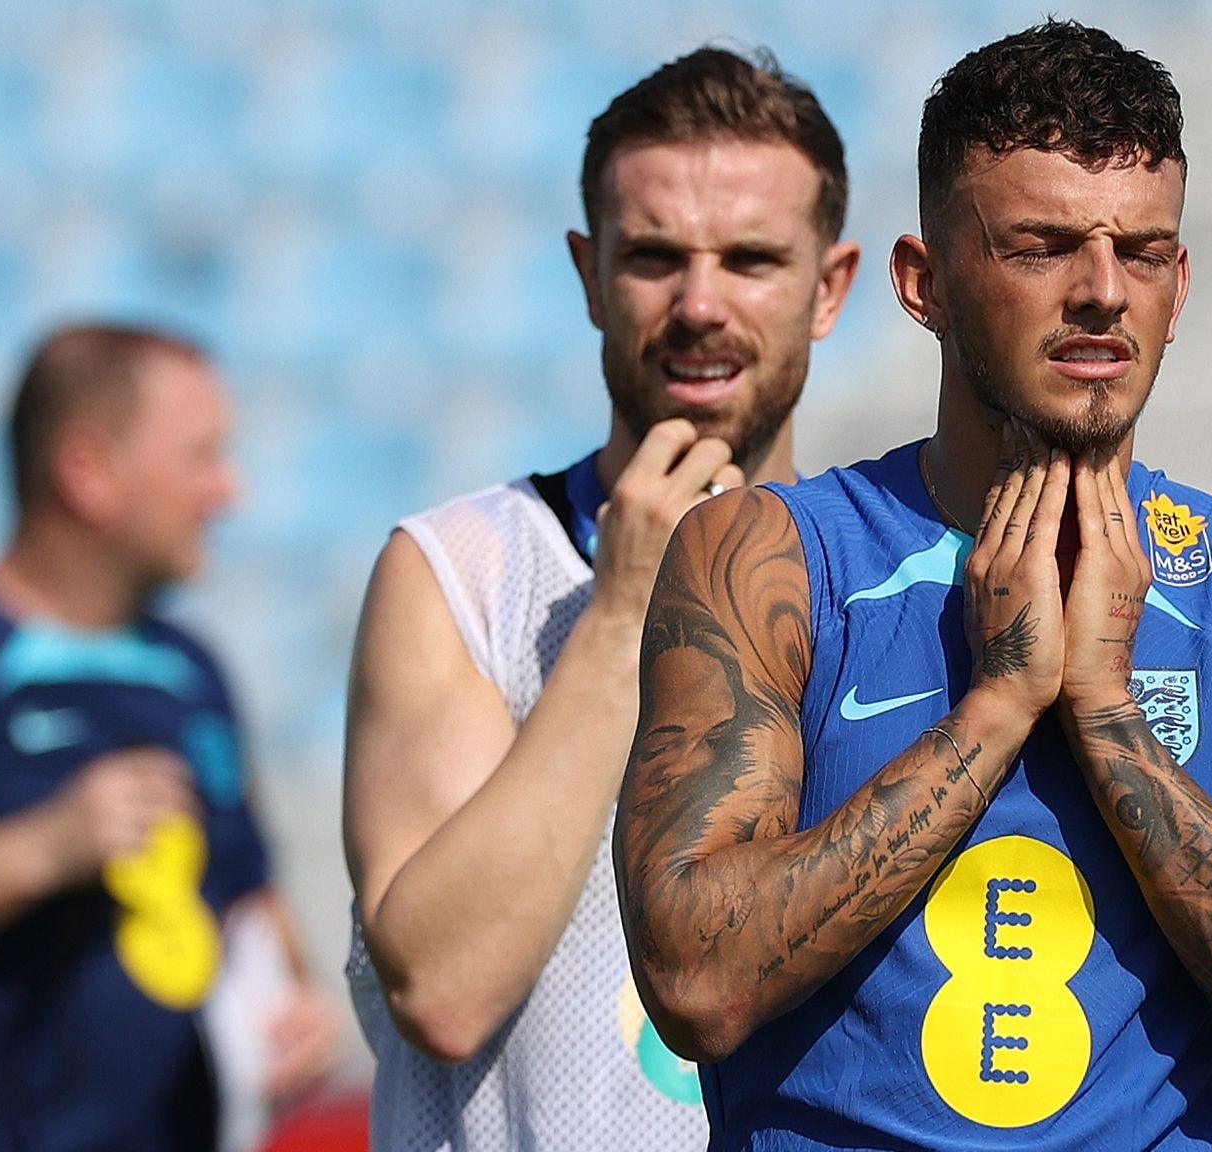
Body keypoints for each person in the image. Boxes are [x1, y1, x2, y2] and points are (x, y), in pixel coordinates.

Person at [615, 21, 1212, 1151]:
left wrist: (1101, 712)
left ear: (1177, 285)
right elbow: (692, 983)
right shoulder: (770, 560)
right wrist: (993, 710)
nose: (1100, 292)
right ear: (923, 280)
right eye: (1040, 246)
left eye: (1139, 253)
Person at [340, 46, 859, 1151]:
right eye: (654, 257)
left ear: (832, 287)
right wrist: (624, 611)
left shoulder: (890, 584)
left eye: (752, 259)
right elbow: (441, 987)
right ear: (587, 273)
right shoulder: (462, 570)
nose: (700, 304)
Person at [0, 324, 339, 1152]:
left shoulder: (194, 671)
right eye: (201, 458)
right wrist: (39, 851)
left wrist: (299, 1007)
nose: (231, 492)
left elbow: (250, 897)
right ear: (87, 473)